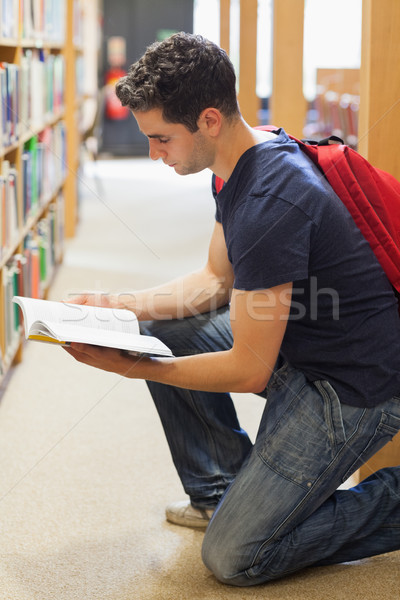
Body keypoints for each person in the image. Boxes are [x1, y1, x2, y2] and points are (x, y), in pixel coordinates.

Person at [65, 32, 400, 587]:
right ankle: (223, 489)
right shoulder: (237, 162)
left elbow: (249, 370)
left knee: (234, 556)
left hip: (351, 388)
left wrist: (134, 366)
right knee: (156, 326)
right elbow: (214, 282)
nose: (154, 154)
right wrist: (116, 306)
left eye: (161, 139)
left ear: (210, 120)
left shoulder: (274, 199)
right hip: (302, 346)